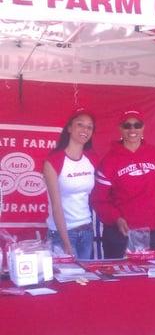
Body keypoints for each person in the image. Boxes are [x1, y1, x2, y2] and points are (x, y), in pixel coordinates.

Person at [91, 109, 155, 259]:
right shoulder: (109, 161)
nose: (132, 129)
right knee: (123, 280)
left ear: (143, 128)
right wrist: (116, 218)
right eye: (127, 125)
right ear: (120, 129)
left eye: (137, 125)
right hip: (122, 234)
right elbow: (99, 200)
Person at [43, 108, 97, 260]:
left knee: (85, 281)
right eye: (80, 124)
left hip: (86, 231)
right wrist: (65, 241)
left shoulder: (91, 158)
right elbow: (56, 205)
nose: (85, 130)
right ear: (69, 128)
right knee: (66, 282)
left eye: (89, 127)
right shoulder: (54, 161)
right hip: (63, 234)